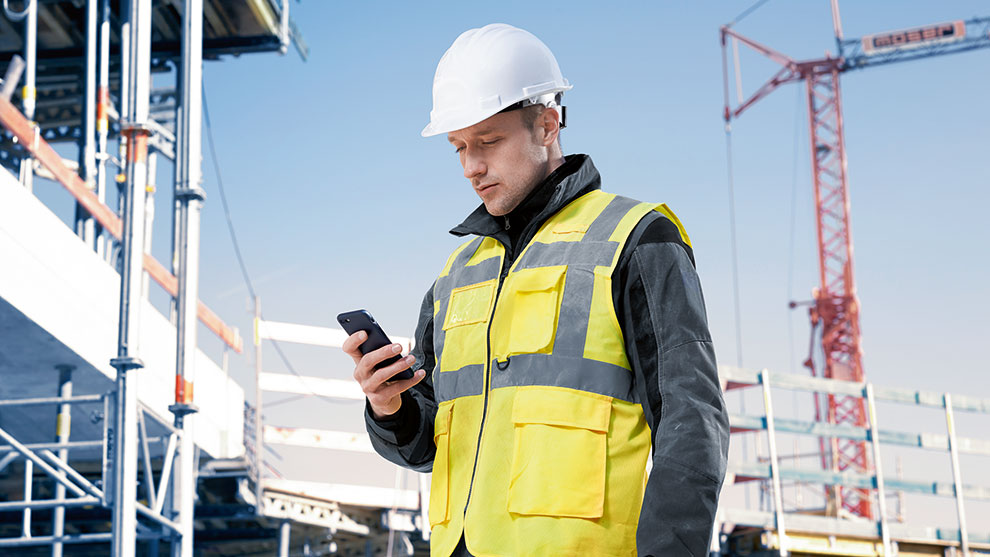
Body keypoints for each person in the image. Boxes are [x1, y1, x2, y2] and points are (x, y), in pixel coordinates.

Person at [343, 23, 729, 557]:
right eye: (458, 147)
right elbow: (429, 447)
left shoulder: (636, 240)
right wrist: (390, 407)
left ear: (548, 124)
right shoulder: (455, 276)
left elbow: (693, 422)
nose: (472, 167)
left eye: (488, 141)